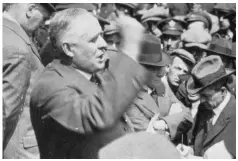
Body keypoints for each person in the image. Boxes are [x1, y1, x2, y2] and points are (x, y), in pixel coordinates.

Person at [30, 8, 151, 159]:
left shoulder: (94, 75)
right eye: (93, 40)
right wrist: (131, 50)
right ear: (68, 49)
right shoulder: (49, 87)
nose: (103, 44)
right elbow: (95, 118)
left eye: (101, 35)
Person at [3, 3, 55, 158]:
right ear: (31, 10)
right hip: (19, 145)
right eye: (43, 18)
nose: (41, 25)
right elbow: (7, 112)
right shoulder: (18, 46)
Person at [178, 55, 236, 158]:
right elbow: (197, 146)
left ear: (222, 91)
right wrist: (189, 151)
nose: (202, 100)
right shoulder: (204, 108)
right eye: (200, 95)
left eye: (206, 96)